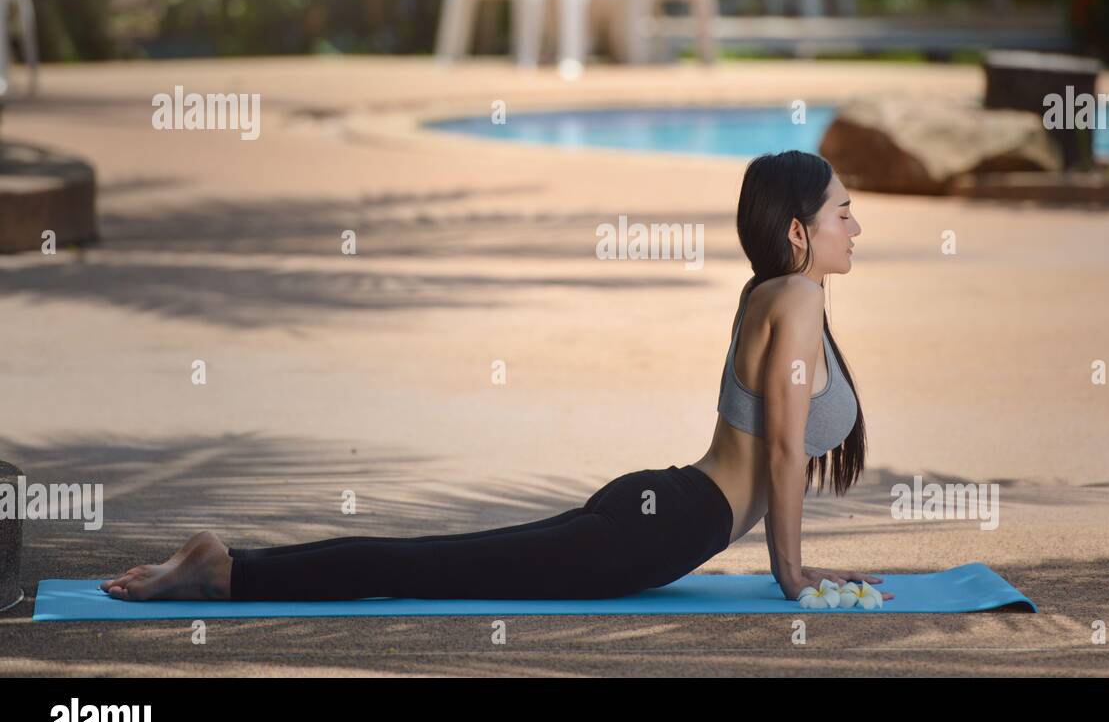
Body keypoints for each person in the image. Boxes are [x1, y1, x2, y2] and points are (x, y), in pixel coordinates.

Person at [100, 150, 894, 604]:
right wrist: (792, 574)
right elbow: (786, 452)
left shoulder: (781, 293)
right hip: (666, 526)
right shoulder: (793, 297)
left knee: (440, 558)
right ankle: (226, 572)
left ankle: (231, 565)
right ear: (799, 230)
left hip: (663, 508)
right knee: (433, 567)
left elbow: (781, 447)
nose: (856, 226)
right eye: (843, 212)